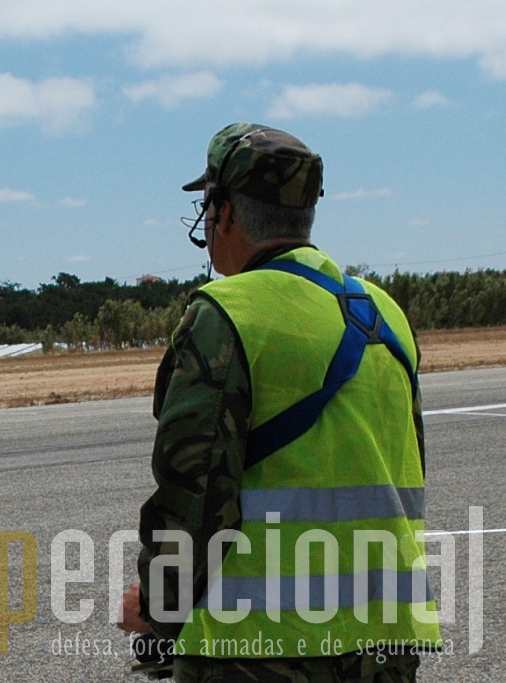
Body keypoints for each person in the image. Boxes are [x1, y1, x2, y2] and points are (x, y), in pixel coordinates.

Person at [118, 124, 441, 682]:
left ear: (224, 213)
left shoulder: (226, 314)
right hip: (388, 644)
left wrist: (157, 606)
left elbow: (194, 493)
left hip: (260, 651)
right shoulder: (385, 314)